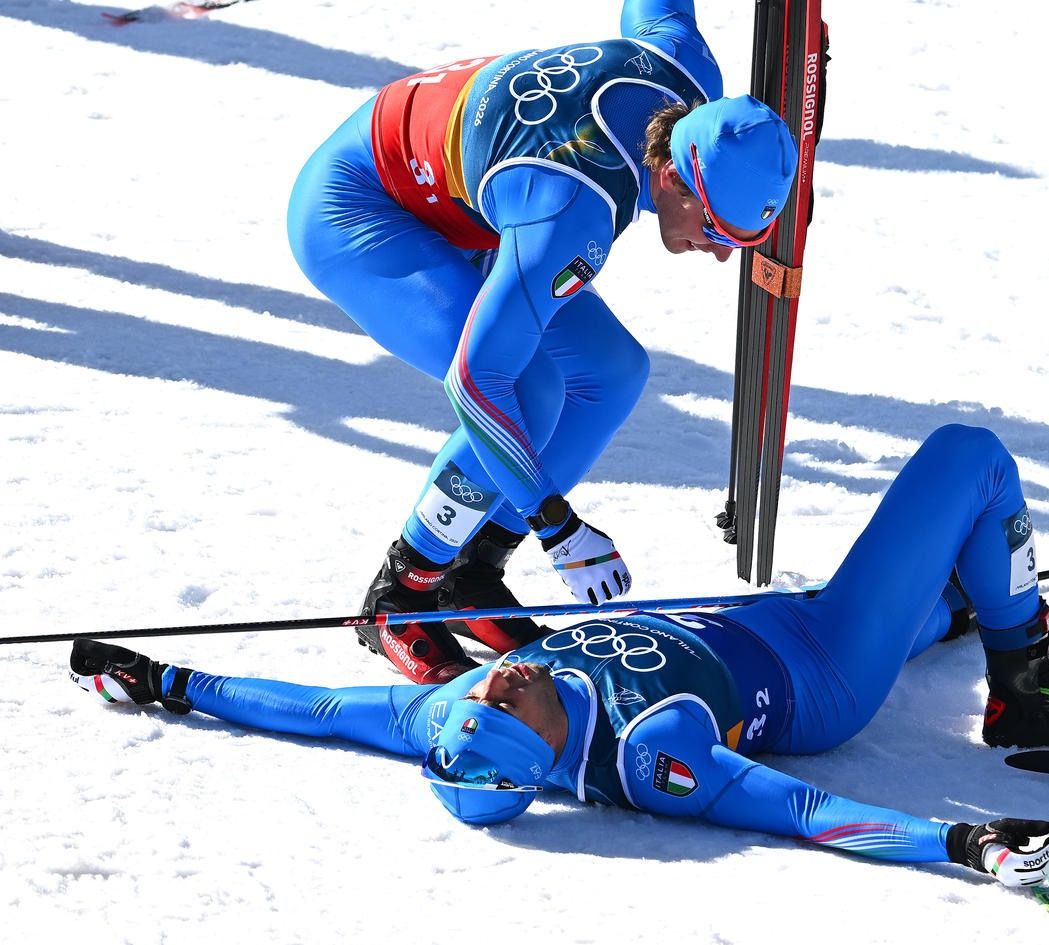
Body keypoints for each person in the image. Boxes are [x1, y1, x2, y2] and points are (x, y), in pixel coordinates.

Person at [70, 424, 1049, 887]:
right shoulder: (652, 755)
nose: (498, 677)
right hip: (820, 665)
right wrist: (964, 844)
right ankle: (1020, 685)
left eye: (481, 693)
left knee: (944, 578)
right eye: (508, 705)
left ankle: (961, 609)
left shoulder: (447, 720)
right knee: (966, 459)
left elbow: (307, 707)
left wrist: (163, 679)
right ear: (540, 756)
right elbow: (807, 813)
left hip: (755, 614)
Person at [285, 0, 799, 684]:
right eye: (715, 230)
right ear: (675, 178)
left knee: (613, 372)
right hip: (364, 208)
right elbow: (477, 383)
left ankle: (471, 573)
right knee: (525, 386)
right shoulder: (572, 210)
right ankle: (402, 593)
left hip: (473, 200)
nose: (721, 254)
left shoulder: (685, 74)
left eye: (743, 239)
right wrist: (558, 527)